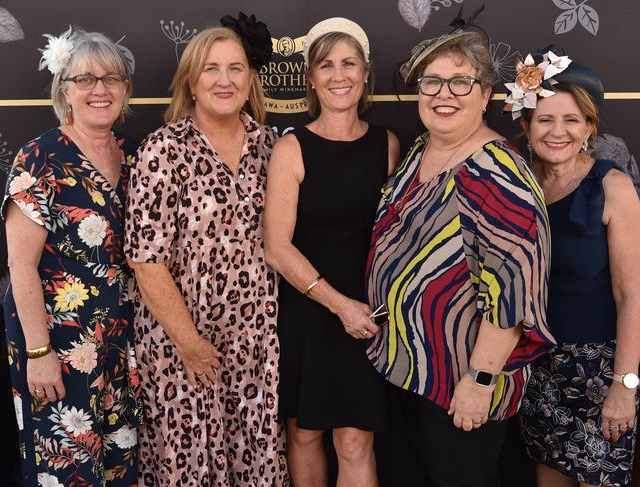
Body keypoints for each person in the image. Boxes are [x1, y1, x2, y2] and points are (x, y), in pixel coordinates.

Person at [364, 27, 556, 487]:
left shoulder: (498, 175)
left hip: (461, 383)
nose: (443, 94)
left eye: (460, 82)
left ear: (485, 92)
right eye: (432, 81)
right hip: (406, 366)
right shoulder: (420, 151)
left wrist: (481, 381)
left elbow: (512, 293)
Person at [123, 13, 289, 487]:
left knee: (253, 457)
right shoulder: (163, 150)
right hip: (182, 342)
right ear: (191, 82)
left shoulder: (270, 145)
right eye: (211, 69)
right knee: (191, 462)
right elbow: (145, 260)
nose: (224, 80)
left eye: (235, 68)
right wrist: (192, 346)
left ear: (251, 79)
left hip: (256, 341)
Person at [263, 17, 400, 487]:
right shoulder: (292, 147)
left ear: (365, 74)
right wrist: (338, 305)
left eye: (349, 64)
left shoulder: (387, 144)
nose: (338, 75)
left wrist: (360, 309)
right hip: (309, 309)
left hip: (368, 315)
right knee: (304, 434)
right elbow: (277, 248)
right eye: (326, 65)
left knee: (356, 440)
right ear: (312, 78)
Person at [1, 27, 140, 486]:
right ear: (65, 90)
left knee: (120, 463)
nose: (100, 90)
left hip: (121, 343)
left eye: (111, 79)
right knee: (66, 464)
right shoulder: (40, 157)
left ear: (125, 90)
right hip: (58, 345)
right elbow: (20, 264)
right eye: (85, 79)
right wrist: (38, 353)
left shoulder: (134, 157)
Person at [506, 50, 640, 487]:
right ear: (526, 126)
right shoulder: (519, 187)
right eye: (545, 119)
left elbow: (632, 294)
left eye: (571, 120)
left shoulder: (612, 186)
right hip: (537, 364)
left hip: (600, 370)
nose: (558, 131)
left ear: (589, 128)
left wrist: (625, 385)